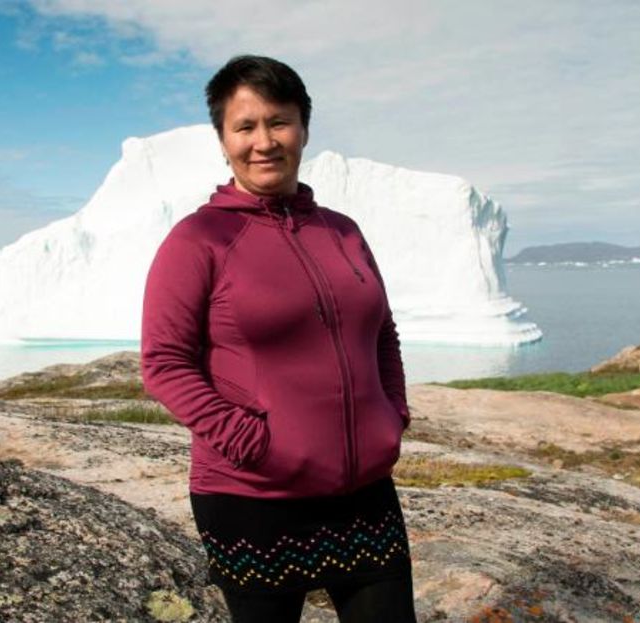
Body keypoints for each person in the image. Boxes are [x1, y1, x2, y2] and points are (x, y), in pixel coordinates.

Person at [141, 55, 416, 623]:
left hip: (363, 491)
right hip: (254, 498)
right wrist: (252, 443)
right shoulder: (199, 240)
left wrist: (392, 414)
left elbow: (381, 331)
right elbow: (164, 363)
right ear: (223, 140)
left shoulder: (341, 231)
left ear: (304, 129)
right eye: (245, 127)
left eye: (279, 121)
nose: (263, 142)